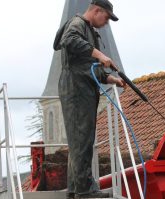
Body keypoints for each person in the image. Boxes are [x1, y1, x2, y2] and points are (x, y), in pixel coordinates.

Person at [53, 0, 125, 198]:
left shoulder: (89, 31)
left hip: (83, 88)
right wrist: (99, 54)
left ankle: (75, 188)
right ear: (97, 10)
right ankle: (85, 190)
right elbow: (69, 40)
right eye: (106, 18)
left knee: (81, 140)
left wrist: (110, 79)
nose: (106, 23)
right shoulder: (76, 24)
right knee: (81, 139)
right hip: (75, 90)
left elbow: (89, 68)